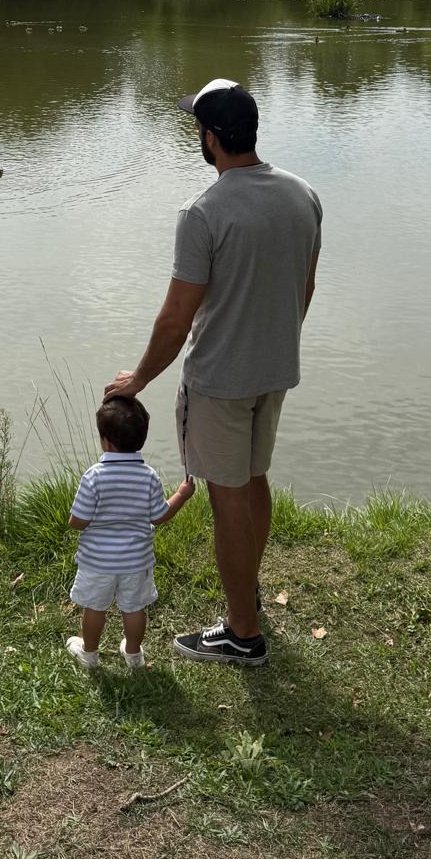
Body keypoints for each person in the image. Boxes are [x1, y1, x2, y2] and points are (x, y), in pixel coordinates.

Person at [106, 78, 322, 667]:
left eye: (197, 128)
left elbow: (176, 319)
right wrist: (272, 341)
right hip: (276, 369)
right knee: (254, 482)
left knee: (227, 499)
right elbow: (304, 287)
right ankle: (246, 592)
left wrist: (138, 380)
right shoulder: (303, 195)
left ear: (211, 137)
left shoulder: (203, 212)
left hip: (220, 381)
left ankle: (242, 632)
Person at [65, 396, 195, 670]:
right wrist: (181, 496)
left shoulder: (94, 476)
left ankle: (89, 653)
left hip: (97, 561)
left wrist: (75, 520)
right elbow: (159, 516)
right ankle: (134, 655)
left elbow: (78, 521)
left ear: (106, 441)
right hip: (136, 561)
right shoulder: (148, 476)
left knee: (95, 608)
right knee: (134, 608)